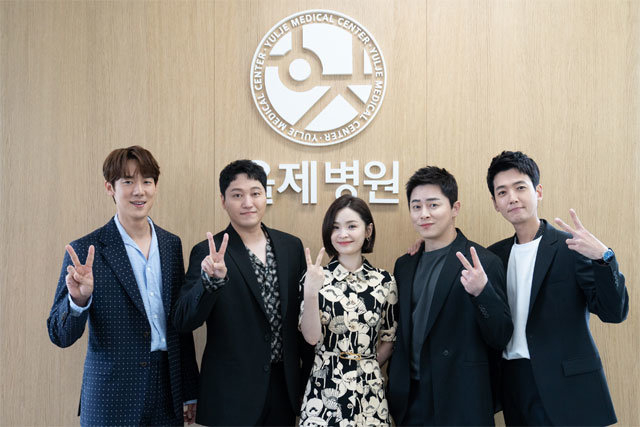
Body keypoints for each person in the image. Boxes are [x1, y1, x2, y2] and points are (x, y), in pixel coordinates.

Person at [47, 146, 199, 426]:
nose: (139, 191)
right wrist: (78, 301)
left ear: (155, 187)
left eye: (147, 181)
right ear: (110, 188)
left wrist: (189, 389)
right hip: (111, 395)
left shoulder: (171, 244)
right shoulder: (86, 250)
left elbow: (180, 323)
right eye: (128, 182)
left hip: (168, 391)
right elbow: (59, 334)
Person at [486, 151, 629, 426]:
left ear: (538, 191)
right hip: (515, 383)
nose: (512, 198)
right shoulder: (493, 257)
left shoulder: (572, 247)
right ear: (495, 203)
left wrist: (604, 258)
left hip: (568, 386)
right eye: (502, 192)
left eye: (520, 187)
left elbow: (614, 312)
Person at [172, 159, 312, 426]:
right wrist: (209, 282)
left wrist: (306, 380)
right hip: (231, 395)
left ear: (265, 196)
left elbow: (302, 318)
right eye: (237, 195)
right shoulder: (208, 252)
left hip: (283, 389)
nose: (248, 203)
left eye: (255, 193)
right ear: (223, 201)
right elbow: (183, 320)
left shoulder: (291, 247)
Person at [387, 166, 513, 426]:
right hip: (411, 399)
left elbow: (501, 336)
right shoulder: (404, 264)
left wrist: (482, 293)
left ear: (455, 208)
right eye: (416, 206)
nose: (424, 214)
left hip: (462, 399)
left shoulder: (483, 262)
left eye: (433, 205)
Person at [298, 195, 398, 426]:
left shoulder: (385, 281)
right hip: (324, 385)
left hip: (369, 388)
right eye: (335, 228)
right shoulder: (314, 277)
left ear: (368, 230)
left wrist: (365, 365)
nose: (343, 234)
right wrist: (311, 291)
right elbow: (310, 338)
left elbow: (389, 338)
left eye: (352, 226)